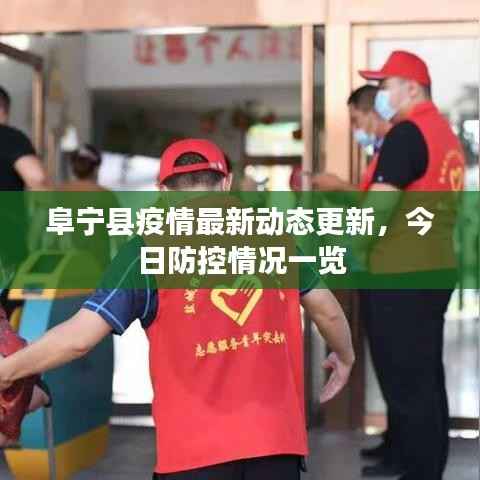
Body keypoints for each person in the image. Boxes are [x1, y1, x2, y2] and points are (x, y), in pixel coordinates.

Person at [0, 139, 355, 479]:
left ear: (164, 191)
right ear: (226, 182)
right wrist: (344, 356)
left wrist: (8, 370)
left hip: (193, 452)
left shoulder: (146, 251)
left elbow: (79, 338)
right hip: (276, 444)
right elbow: (327, 310)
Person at [357, 51, 464, 480]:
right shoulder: (444, 135)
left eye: (385, 86)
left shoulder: (407, 134)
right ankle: (419, 463)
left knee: (406, 381)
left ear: (412, 88)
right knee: (424, 377)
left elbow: (379, 209)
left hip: (400, 274)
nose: (380, 95)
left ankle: (421, 471)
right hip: (431, 267)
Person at [312, 85, 391, 192]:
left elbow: (380, 199)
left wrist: (339, 185)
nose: (354, 127)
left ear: (373, 113)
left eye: (355, 119)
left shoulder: (396, 148)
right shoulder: (381, 150)